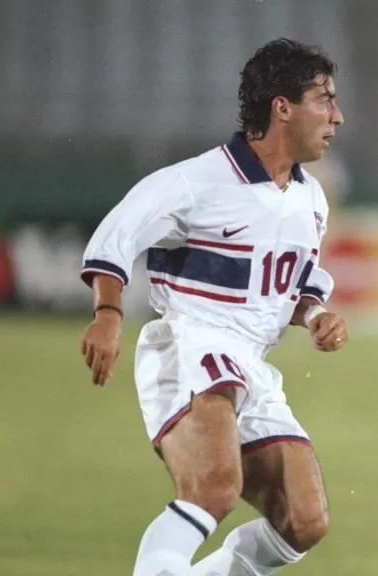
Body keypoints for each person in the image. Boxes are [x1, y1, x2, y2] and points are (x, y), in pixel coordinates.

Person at [77, 39, 348, 576]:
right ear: (282, 107)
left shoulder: (309, 199)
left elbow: (293, 287)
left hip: (250, 362)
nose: (337, 117)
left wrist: (315, 315)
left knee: (303, 521)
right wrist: (108, 314)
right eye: (325, 99)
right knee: (213, 489)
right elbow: (116, 234)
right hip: (191, 343)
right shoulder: (196, 182)